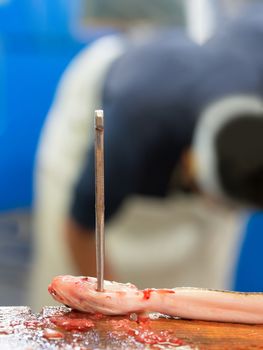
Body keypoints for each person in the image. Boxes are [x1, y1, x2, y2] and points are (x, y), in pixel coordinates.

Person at [29, 2, 263, 309]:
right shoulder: (134, 126)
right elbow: (79, 229)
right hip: (108, 94)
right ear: (188, 158)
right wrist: (120, 312)